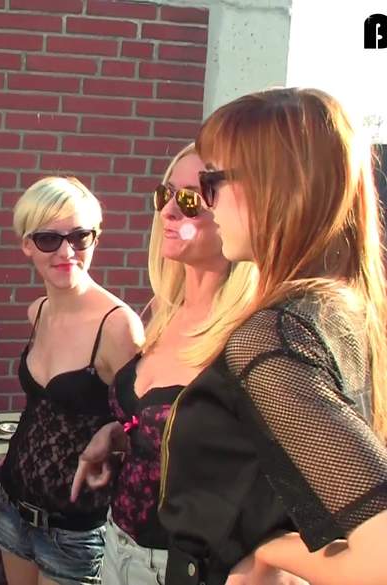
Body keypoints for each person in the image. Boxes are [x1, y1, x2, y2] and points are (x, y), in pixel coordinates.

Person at [157, 88, 387, 585]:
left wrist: (273, 553)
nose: (207, 203)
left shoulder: (273, 336)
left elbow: (381, 556)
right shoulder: (340, 310)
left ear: (277, 187)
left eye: (212, 183)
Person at [71, 144, 258, 584]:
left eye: (190, 199)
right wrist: (118, 434)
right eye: (165, 194)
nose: (169, 211)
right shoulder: (164, 309)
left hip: (182, 566)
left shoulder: (250, 334)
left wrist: (268, 561)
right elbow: (183, 431)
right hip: (115, 544)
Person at [0, 176, 144, 585]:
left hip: (75, 530)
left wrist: (115, 439)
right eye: (48, 239)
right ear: (27, 245)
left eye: (79, 237)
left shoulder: (118, 326)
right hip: (12, 508)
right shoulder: (38, 311)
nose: (66, 252)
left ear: (96, 238)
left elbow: (148, 430)